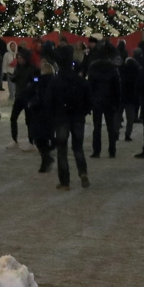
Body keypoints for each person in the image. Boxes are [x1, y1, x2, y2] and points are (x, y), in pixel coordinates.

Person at [51, 47, 91, 190]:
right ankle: (82, 172)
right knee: (77, 147)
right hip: (78, 117)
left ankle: (65, 181)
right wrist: (85, 111)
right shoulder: (80, 80)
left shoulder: (55, 81)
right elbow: (88, 98)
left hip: (62, 117)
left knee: (62, 150)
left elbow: (49, 101)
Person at [87, 45, 121, 158]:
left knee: (97, 127)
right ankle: (112, 150)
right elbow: (117, 86)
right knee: (111, 127)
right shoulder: (113, 68)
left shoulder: (93, 67)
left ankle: (96, 150)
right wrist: (117, 101)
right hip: (110, 100)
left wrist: (90, 100)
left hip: (96, 100)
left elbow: (90, 85)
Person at [27, 60, 57, 173]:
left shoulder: (39, 82)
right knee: (46, 135)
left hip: (39, 112)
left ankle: (46, 159)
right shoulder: (55, 82)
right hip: (51, 113)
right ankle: (46, 160)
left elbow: (29, 92)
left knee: (38, 137)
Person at [7, 49, 35, 148]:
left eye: (21, 58)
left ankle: (31, 141)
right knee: (13, 118)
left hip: (28, 97)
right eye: (18, 58)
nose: (19, 60)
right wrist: (13, 78)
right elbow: (16, 77)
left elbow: (37, 79)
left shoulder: (32, 68)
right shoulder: (18, 68)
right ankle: (14, 140)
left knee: (29, 120)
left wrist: (31, 84)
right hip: (19, 96)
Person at [119, 48, 141, 142]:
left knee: (117, 116)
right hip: (131, 99)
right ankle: (128, 135)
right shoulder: (136, 75)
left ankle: (115, 133)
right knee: (130, 119)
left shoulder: (121, 73)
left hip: (121, 98)